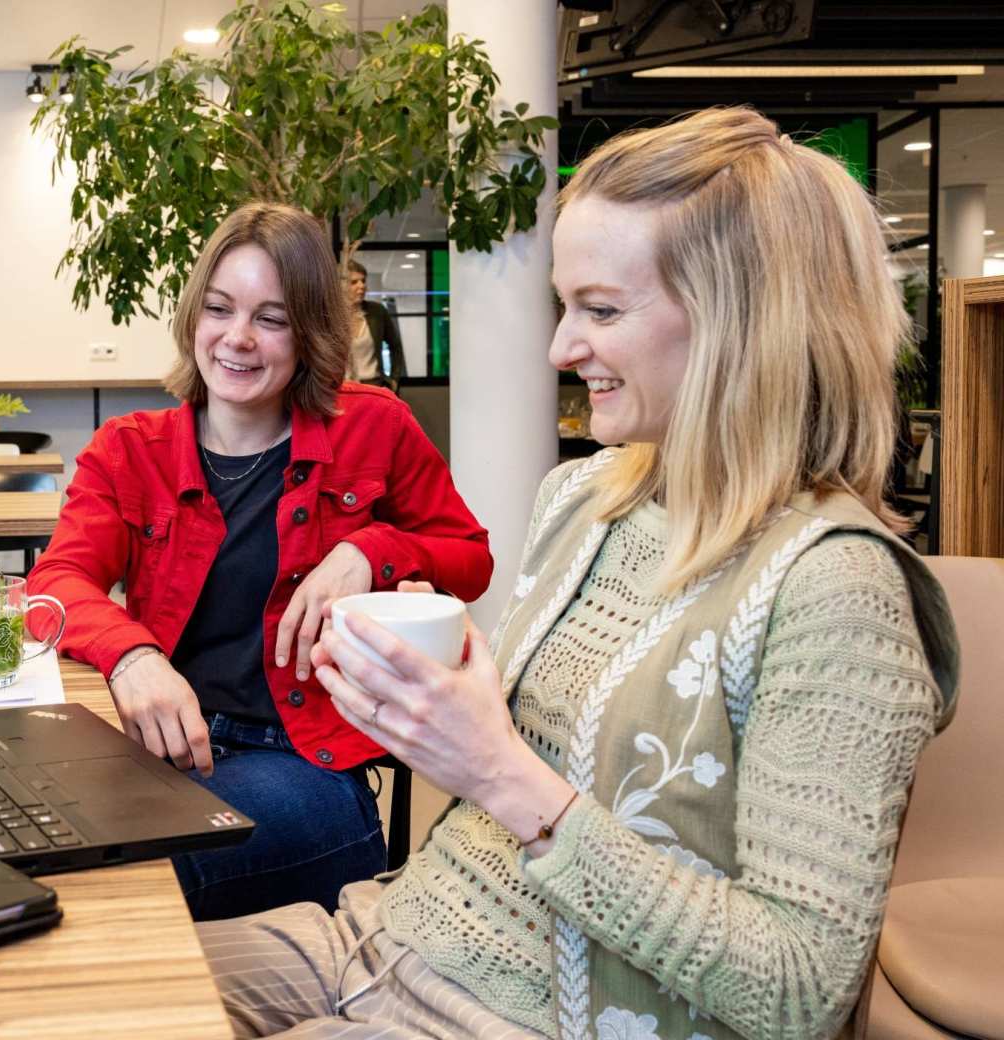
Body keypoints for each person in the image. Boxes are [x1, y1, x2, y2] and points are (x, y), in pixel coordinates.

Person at [195, 108, 959, 1040]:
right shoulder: (587, 496)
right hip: (382, 937)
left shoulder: (834, 590)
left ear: (742, 322)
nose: (561, 348)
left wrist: (498, 770)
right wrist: (433, 708)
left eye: (600, 310)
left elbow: (799, 991)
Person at [28, 202, 492, 921]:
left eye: (271, 319)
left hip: (309, 773)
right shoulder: (130, 449)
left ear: (309, 334)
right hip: (160, 749)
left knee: (121, 879)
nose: (238, 339)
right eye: (220, 309)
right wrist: (131, 657)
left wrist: (371, 550)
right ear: (193, 318)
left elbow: (469, 559)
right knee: (38, 844)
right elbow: (54, 585)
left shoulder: (375, 427)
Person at [345, 260, 406, 390]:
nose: (361, 286)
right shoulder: (330, 315)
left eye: (363, 281)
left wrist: (394, 379)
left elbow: (396, 346)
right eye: (354, 282)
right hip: (342, 388)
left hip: (373, 385)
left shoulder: (377, 311)